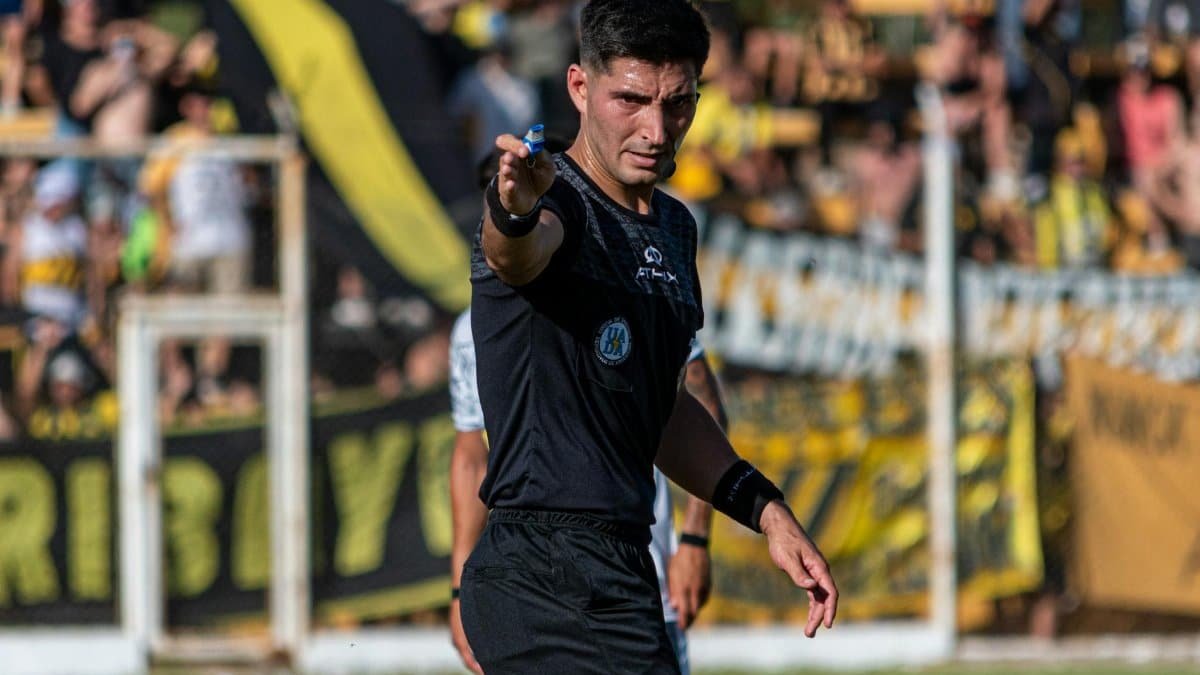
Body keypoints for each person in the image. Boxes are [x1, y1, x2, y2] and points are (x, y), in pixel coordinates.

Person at [461, 1, 838, 672]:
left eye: (678, 104)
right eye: (630, 100)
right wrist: (512, 209)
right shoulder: (553, 200)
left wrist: (767, 509)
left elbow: (659, 410)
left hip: (624, 565)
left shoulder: (673, 228)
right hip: (542, 570)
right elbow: (512, 253)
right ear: (580, 86)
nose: (656, 128)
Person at [448, 308, 721, 675]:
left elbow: (702, 408)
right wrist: (457, 589)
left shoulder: (636, 291)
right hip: (526, 586)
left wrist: (694, 537)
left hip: (633, 578)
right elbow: (471, 456)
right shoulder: (472, 325)